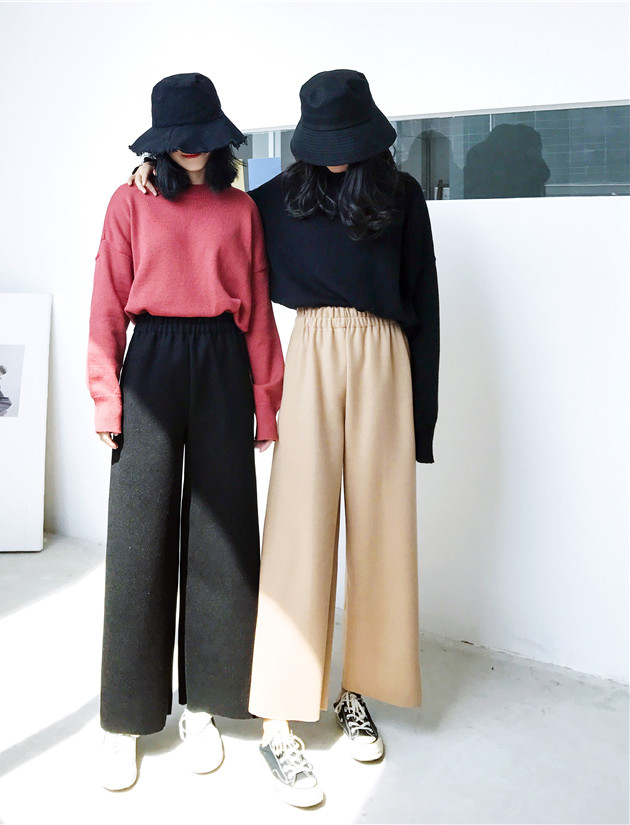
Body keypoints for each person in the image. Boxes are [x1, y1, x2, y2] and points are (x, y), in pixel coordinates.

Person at [131, 69, 439, 809]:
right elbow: (208, 211)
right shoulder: (276, 200)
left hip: (386, 357)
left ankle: (358, 692)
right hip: (311, 355)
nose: (336, 154)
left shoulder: (402, 197)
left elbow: (425, 301)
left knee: (382, 533)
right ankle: (278, 716)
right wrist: (150, 173)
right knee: (297, 534)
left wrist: (422, 420)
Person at [87, 72, 284, 793]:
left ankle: (205, 704)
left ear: (218, 137)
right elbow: (107, 301)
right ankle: (128, 720)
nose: (191, 150)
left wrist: (266, 401)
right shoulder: (129, 202)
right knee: (139, 539)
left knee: (224, 539)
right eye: (178, 139)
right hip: (152, 364)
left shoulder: (241, 208)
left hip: (224, 362)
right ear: (159, 144)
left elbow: (258, 303)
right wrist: (107, 398)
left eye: (201, 136)